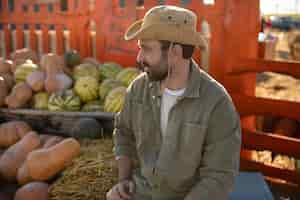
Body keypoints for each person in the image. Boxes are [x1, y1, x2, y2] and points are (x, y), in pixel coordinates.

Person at [107, 5, 241, 200]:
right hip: (142, 193)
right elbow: (123, 133)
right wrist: (123, 181)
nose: (139, 58)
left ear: (175, 52)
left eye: (146, 49)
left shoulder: (217, 103)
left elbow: (219, 176)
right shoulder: (138, 89)